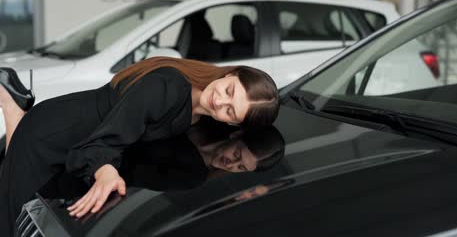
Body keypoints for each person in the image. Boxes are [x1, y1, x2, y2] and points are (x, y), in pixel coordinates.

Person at [0, 56, 280, 235]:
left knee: (17, 198)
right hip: (51, 133)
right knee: (10, 221)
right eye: (229, 91)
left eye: (231, 111)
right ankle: (13, 107)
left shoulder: (200, 110)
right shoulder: (168, 88)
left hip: (73, 134)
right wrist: (106, 171)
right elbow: (104, 142)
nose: (220, 102)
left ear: (233, 126)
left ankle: (16, 107)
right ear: (229, 74)